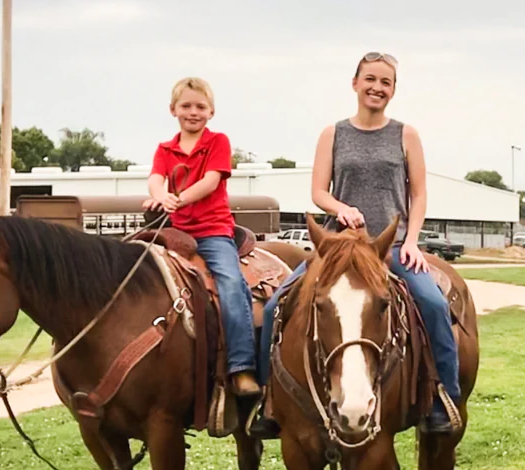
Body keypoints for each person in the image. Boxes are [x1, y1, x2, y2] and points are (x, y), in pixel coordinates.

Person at [250, 52, 460, 438]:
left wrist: (412, 240)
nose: (377, 88)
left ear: (393, 90)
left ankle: (442, 397)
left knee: (431, 303)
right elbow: (318, 191)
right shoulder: (333, 133)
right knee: (279, 301)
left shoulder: (405, 134)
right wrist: (340, 208)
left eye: (386, 82)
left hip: (388, 247)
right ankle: (269, 399)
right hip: (338, 247)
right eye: (371, 79)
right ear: (355, 83)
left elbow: (420, 193)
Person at [145, 77, 260, 398]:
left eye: (200, 107)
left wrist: (176, 198)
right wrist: (160, 195)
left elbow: (211, 182)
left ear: (211, 112)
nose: (192, 112)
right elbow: (155, 179)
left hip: (212, 231)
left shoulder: (217, 142)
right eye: (186, 106)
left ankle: (242, 366)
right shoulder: (164, 149)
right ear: (173, 110)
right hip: (174, 231)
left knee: (231, 283)